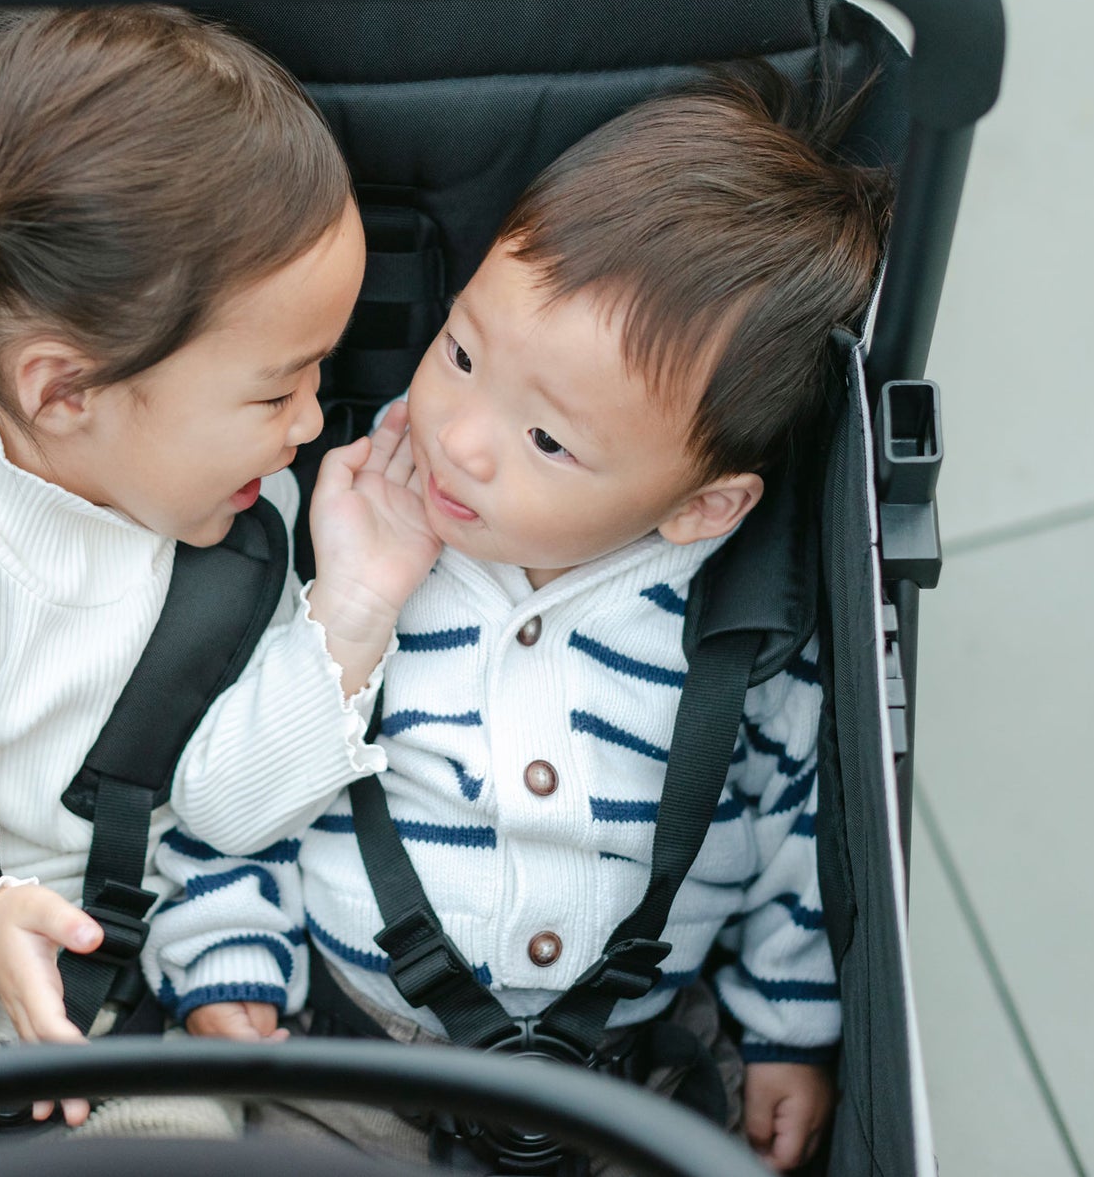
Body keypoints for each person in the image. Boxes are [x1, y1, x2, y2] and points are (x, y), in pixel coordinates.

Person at [154, 61, 894, 1173]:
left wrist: (788, 1029)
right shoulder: (346, 532)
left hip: (632, 1064)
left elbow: (802, 837)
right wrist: (224, 959)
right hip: (346, 1050)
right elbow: (219, 789)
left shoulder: (740, 636)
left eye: (546, 442)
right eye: (458, 352)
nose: (459, 435)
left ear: (698, 507)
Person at [0, 5, 440, 1175]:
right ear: (64, 392)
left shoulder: (237, 534)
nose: (316, 422)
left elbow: (221, 808)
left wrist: (353, 607)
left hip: (114, 1013)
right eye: (278, 392)